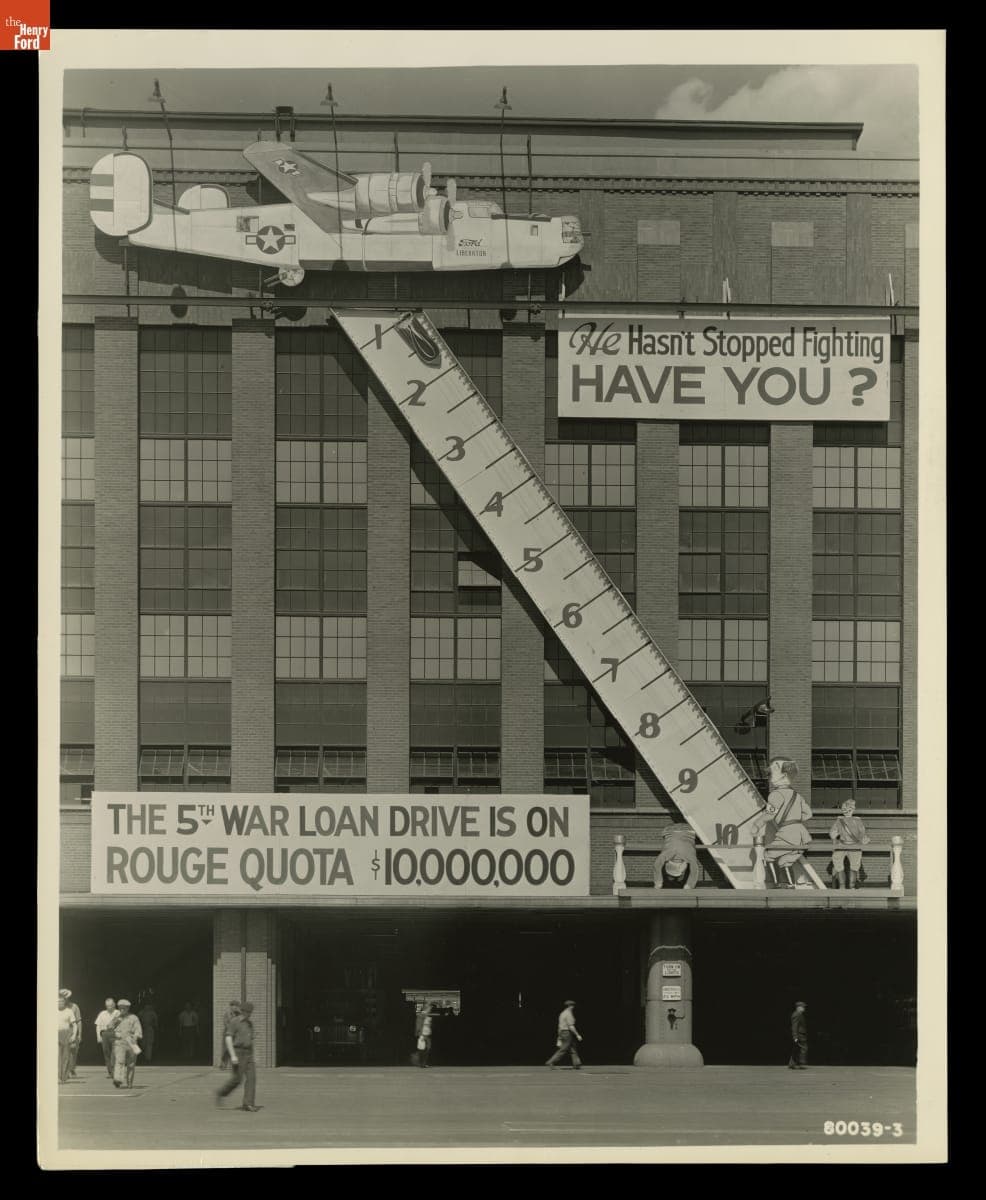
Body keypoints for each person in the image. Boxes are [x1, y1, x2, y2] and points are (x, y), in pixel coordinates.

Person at [752, 757, 813, 888]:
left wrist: (756, 825)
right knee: (784, 861)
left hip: (787, 833)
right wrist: (795, 819)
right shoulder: (797, 795)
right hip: (802, 835)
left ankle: (776, 884)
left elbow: (769, 815)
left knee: (768, 855)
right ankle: (789, 884)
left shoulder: (775, 795)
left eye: (772, 771)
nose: (769, 775)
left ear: (783, 775)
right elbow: (808, 814)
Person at [216, 1000, 258, 1111]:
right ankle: (221, 1093)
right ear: (243, 1011)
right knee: (237, 1079)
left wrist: (255, 1055)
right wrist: (233, 1055)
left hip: (248, 1053)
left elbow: (251, 1040)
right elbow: (228, 1038)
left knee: (252, 1078)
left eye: (251, 1012)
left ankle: (248, 1104)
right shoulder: (234, 1022)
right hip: (238, 1052)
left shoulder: (250, 1024)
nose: (250, 1014)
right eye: (248, 1012)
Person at [829, 798, 871, 889]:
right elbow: (833, 832)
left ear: (852, 809)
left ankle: (848, 887)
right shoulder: (840, 820)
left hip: (850, 845)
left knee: (852, 867)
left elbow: (862, 834)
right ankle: (844, 887)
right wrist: (833, 834)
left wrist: (864, 839)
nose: (847, 811)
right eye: (845, 808)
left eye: (849, 808)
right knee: (842, 866)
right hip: (845, 845)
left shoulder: (855, 820)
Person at [111, 998, 143, 1089]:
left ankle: (129, 1082)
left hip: (131, 1042)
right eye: (120, 1008)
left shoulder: (134, 1018)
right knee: (119, 1062)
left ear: (128, 1008)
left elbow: (138, 1030)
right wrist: (114, 1032)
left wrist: (136, 1036)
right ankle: (118, 1080)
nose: (121, 1010)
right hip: (120, 1042)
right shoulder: (117, 1018)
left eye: (124, 1008)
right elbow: (109, 1029)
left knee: (131, 1064)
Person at [545, 1000, 582, 1069]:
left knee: (573, 1048)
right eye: (572, 1006)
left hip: (563, 1032)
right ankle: (551, 1062)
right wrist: (577, 1035)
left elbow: (559, 1027)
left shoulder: (562, 1014)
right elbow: (571, 1026)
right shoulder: (568, 1014)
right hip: (567, 1033)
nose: (573, 1007)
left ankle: (577, 1064)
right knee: (563, 1049)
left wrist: (559, 1038)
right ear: (570, 1006)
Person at [59, 989, 83, 1079]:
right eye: (63, 997)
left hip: (73, 1031)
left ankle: (71, 1068)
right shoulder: (57, 1006)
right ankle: (65, 1072)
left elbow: (79, 1021)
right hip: (61, 1032)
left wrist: (79, 1034)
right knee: (63, 1053)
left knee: (73, 1052)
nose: (65, 999)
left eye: (66, 997)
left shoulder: (74, 1007)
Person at [95, 998, 119, 1077]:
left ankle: (114, 1070)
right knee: (106, 1053)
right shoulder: (102, 1013)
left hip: (114, 1034)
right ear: (106, 1006)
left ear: (114, 1005)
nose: (109, 1007)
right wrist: (98, 1036)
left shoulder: (118, 1013)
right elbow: (98, 1025)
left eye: (111, 1005)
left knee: (114, 1053)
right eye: (108, 1006)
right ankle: (110, 1072)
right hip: (104, 1034)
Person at [413, 1003, 435, 1068]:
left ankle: (423, 1063)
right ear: (426, 1008)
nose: (430, 1009)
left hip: (427, 1034)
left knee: (427, 1048)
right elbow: (418, 1025)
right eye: (429, 1008)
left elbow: (429, 1025)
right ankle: (421, 1063)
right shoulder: (421, 1015)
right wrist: (420, 1034)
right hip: (423, 1034)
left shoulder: (428, 1015)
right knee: (422, 1049)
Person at [789, 1000, 808, 1070]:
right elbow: (794, 1026)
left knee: (796, 1049)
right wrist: (795, 1037)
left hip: (799, 1035)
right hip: (800, 1035)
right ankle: (802, 1064)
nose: (804, 1008)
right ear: (798, 1007)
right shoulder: (797, 1014)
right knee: (804, 1048)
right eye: (802, 1007)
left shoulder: (798, 1014)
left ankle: (792, 1064)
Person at [138, 999, 159, 1063]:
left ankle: (148, 1058)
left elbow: (156, 1022)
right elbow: (137, 1021)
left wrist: (155, 1027)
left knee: (149, 1044)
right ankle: (144, 1057)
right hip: (142, 1029)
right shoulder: (141, 1013)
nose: (147, 1007)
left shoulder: (153, 1013)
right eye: (146, 1006)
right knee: (143, 1044)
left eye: (148, 1006)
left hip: (150, 1029)